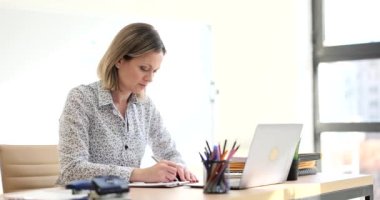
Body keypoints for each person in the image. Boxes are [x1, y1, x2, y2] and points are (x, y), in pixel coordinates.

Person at [57, 22, 198, 184]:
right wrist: (138, 174)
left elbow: (169, 151)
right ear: (119, 60)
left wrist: (179, 167)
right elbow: (72, 170)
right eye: (144, 68)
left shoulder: (145, 106)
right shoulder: (81, 99)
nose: (150, 78)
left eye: (155, 71)